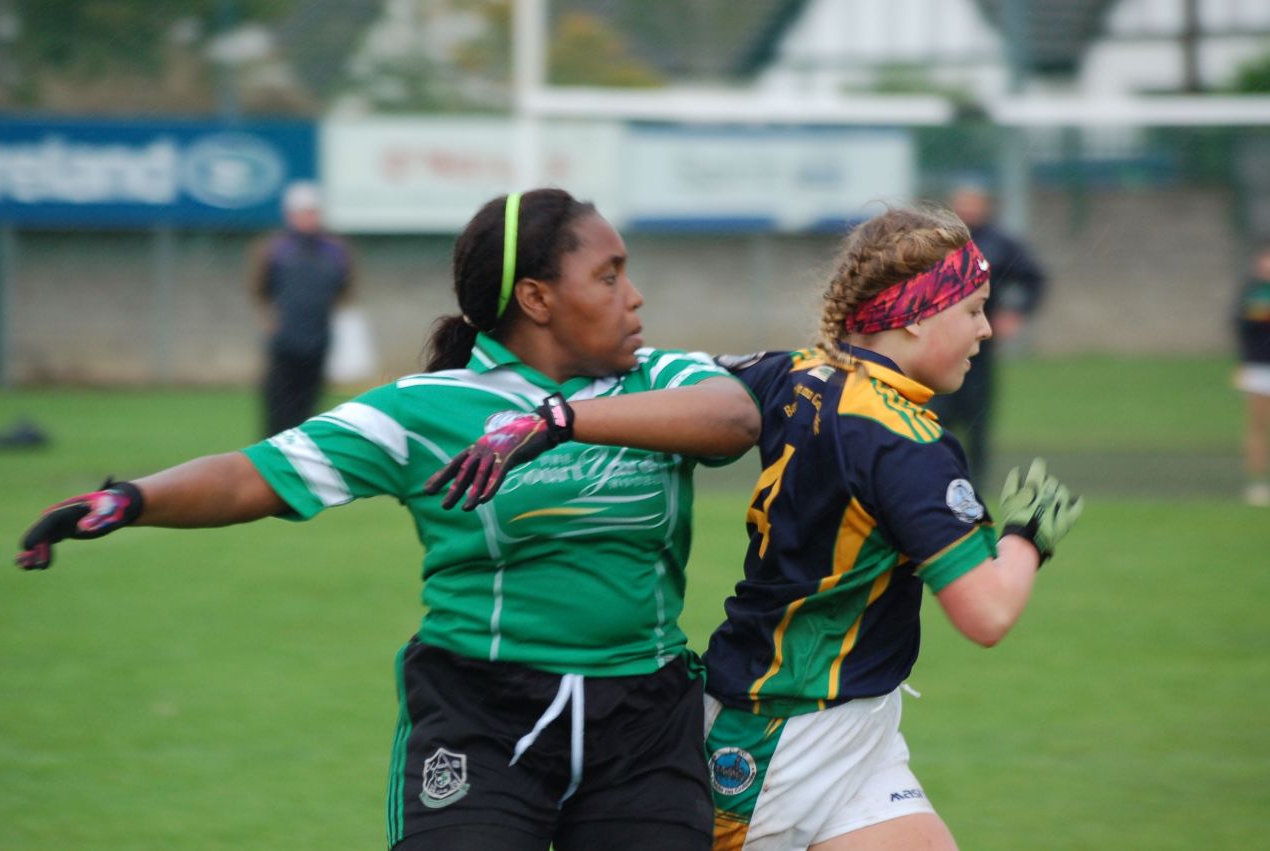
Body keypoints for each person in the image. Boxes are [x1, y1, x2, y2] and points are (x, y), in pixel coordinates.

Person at [17, 188, 761, 851]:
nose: (633, 296)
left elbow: (734, 416)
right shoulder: (422, 409)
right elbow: (255, 475)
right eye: (608, 275)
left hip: (644, 723)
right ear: (536, 298)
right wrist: (129, 499)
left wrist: (561, 420)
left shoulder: (662, 380)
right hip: (484, 717)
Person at [432, 203, 1084, 850]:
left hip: (856, 724)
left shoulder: (795, 373)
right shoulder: (905, 442)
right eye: (971, 311)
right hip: (782, 733)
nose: (985, 331)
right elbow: (987, 613)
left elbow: (678, 380)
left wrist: (559, 414)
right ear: (913, 317)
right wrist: (1028, 534)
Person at [927, 183, 1046, 482]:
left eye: (974, 202)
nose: (969, 209)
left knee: (978, 417)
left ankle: (974, 485)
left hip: (980, 347)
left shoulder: (999, 244)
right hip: (940, 344)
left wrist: (1015, 312)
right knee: (937, 414)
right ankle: (936, 476)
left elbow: (1034, 278)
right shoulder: (938, 243)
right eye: (963, 202)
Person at [251, 180, 355, 438]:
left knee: (309, 402)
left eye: (313, 212)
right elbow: (260, 288)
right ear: (290, 215)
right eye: (303, 212)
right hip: (285, 337)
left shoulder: (335, 250)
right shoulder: (274, 249)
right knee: (278, 402)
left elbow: (345, 287)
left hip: (319, 336)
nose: (309, 218)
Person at [1235, 241, 1270, 507]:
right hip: (1259, 368)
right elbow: (1243, 328)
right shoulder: (1253, 294)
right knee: (1258, 425)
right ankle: (1257, 482)